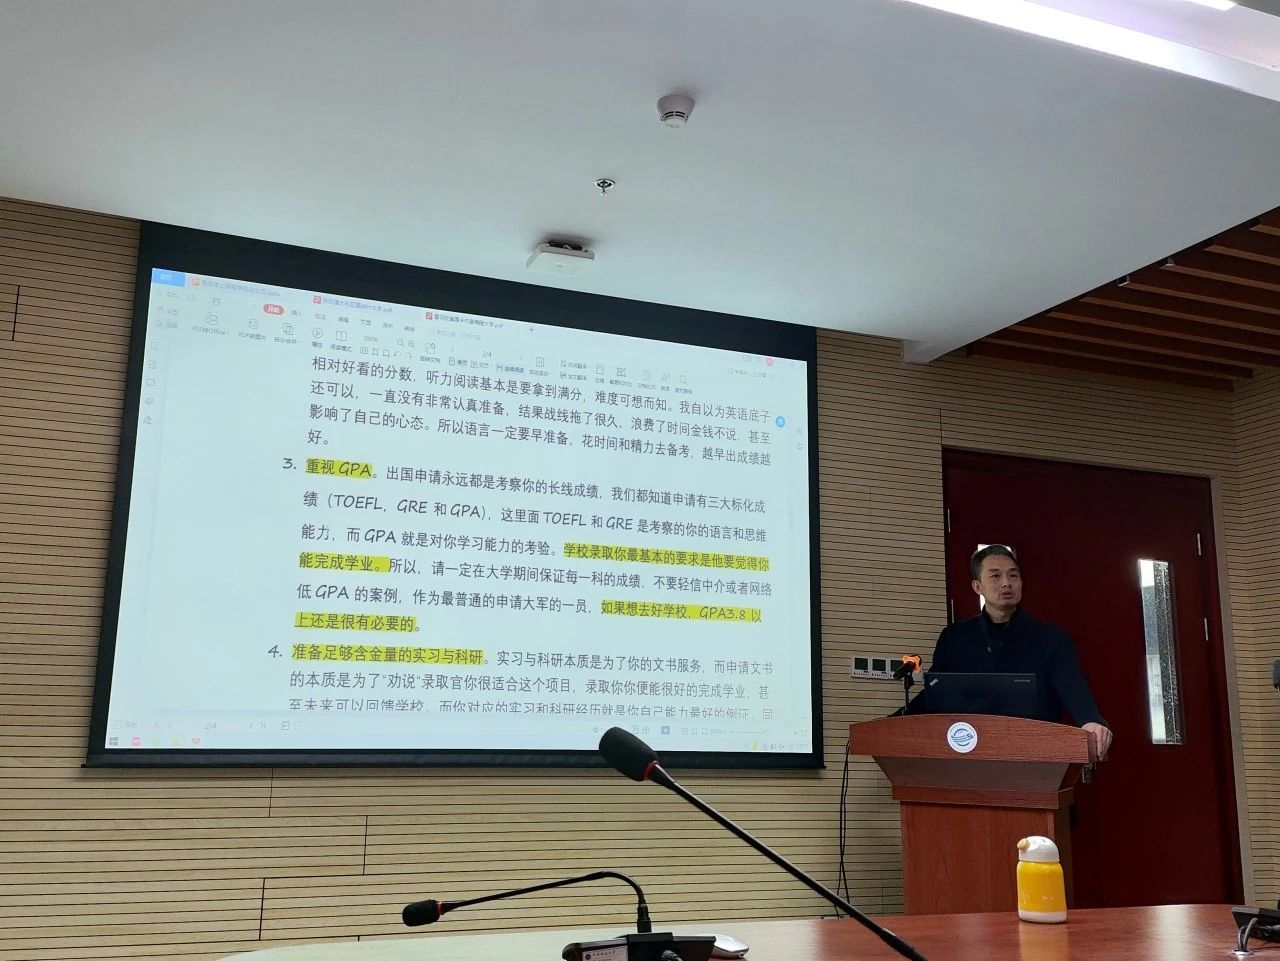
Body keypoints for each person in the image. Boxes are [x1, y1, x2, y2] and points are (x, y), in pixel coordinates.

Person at [903, 544, 1113, 759]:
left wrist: (1090, 720)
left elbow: (1072, 686)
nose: (1006, 583)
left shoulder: (1050, 639)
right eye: (995, 576)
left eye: (1013, 575)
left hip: (1034, 753)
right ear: (977, 586)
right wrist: (898, 720)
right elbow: (937, 691)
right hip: (967, 751)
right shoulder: (955, 638)